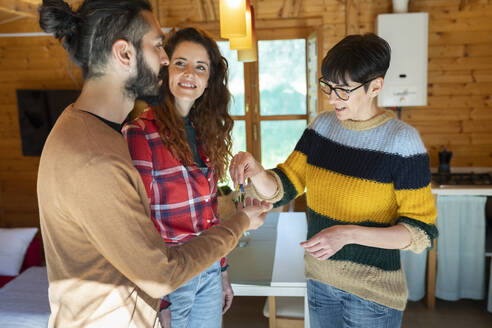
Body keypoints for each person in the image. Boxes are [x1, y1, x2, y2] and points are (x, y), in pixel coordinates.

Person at [36, 1, 272, 327]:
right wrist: (241, 222)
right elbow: (161, 275)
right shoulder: (96, 158)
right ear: (124, 54)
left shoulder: (89, 132)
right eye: (159, 46)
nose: (165, 60)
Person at [229, 33, 438, 328]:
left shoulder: (402, 142)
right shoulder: (323, 127)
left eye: (343, 90)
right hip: (319, 283)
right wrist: (258, 171)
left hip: (372, 296)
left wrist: (348, 234)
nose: (331, 98)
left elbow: (419, 232)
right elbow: (284, 186)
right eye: (328, 85)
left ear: (375, 86)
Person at [123, 27, 237, 328]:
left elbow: (209, 214)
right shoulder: (140, 133)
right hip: (172, 279)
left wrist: (222, 271)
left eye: (201, 67)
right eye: (181, 63)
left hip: (209, 269)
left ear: (209, 79)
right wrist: (157, 299)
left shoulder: (205, 133)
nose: (190, 74)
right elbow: (136, 224)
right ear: (165, 69)